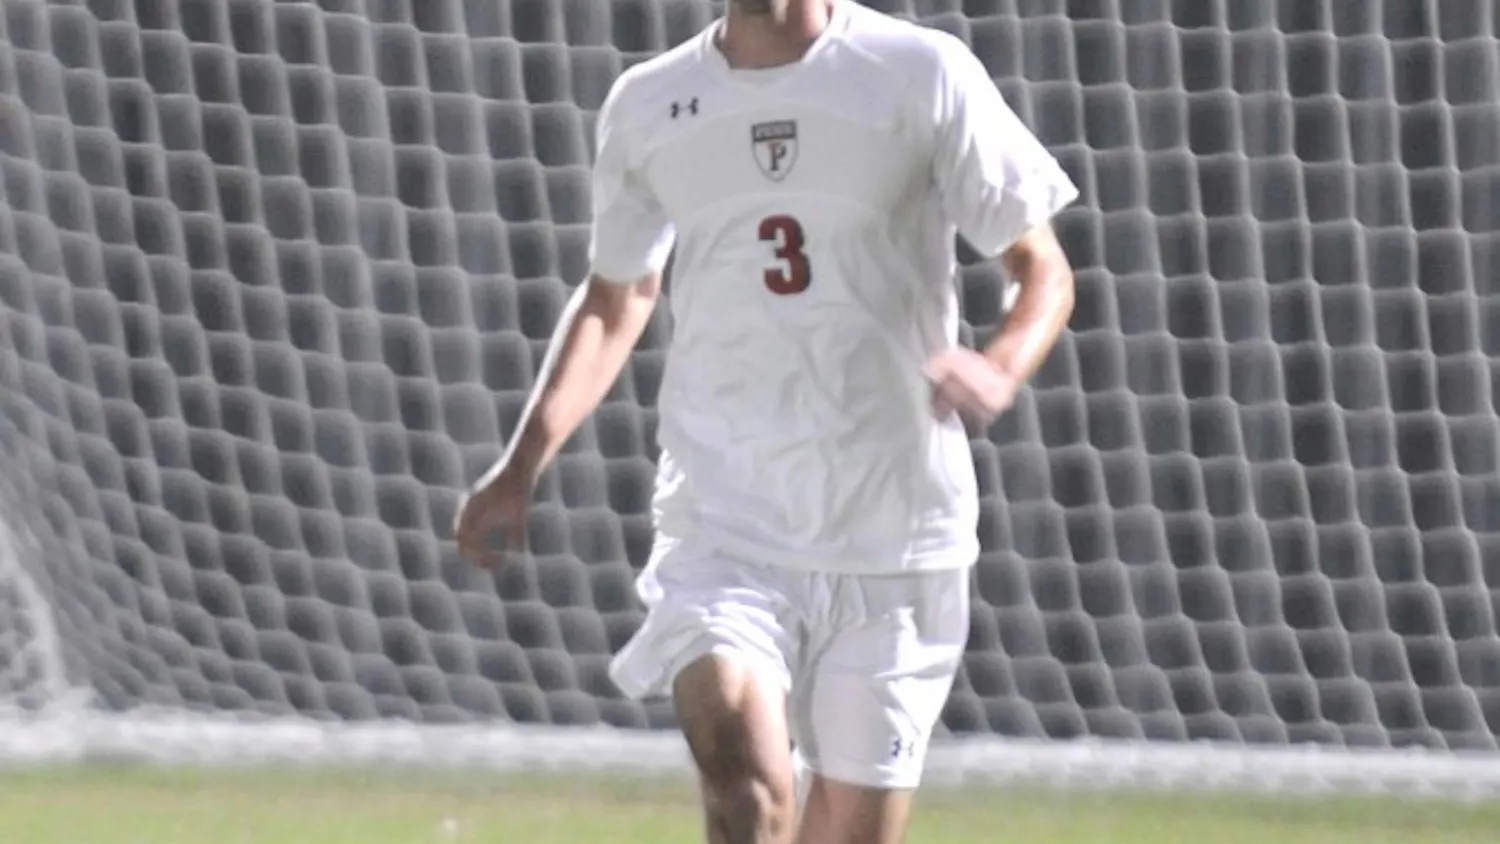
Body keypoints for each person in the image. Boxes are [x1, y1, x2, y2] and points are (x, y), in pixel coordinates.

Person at [455, 1, 1078, 841]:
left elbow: (1041, 268)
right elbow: (617, 295)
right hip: (726, 520)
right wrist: (521, 464)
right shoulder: (650, 102)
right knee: (748, 790)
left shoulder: (921, 71)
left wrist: (997, 366)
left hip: (894, 532)